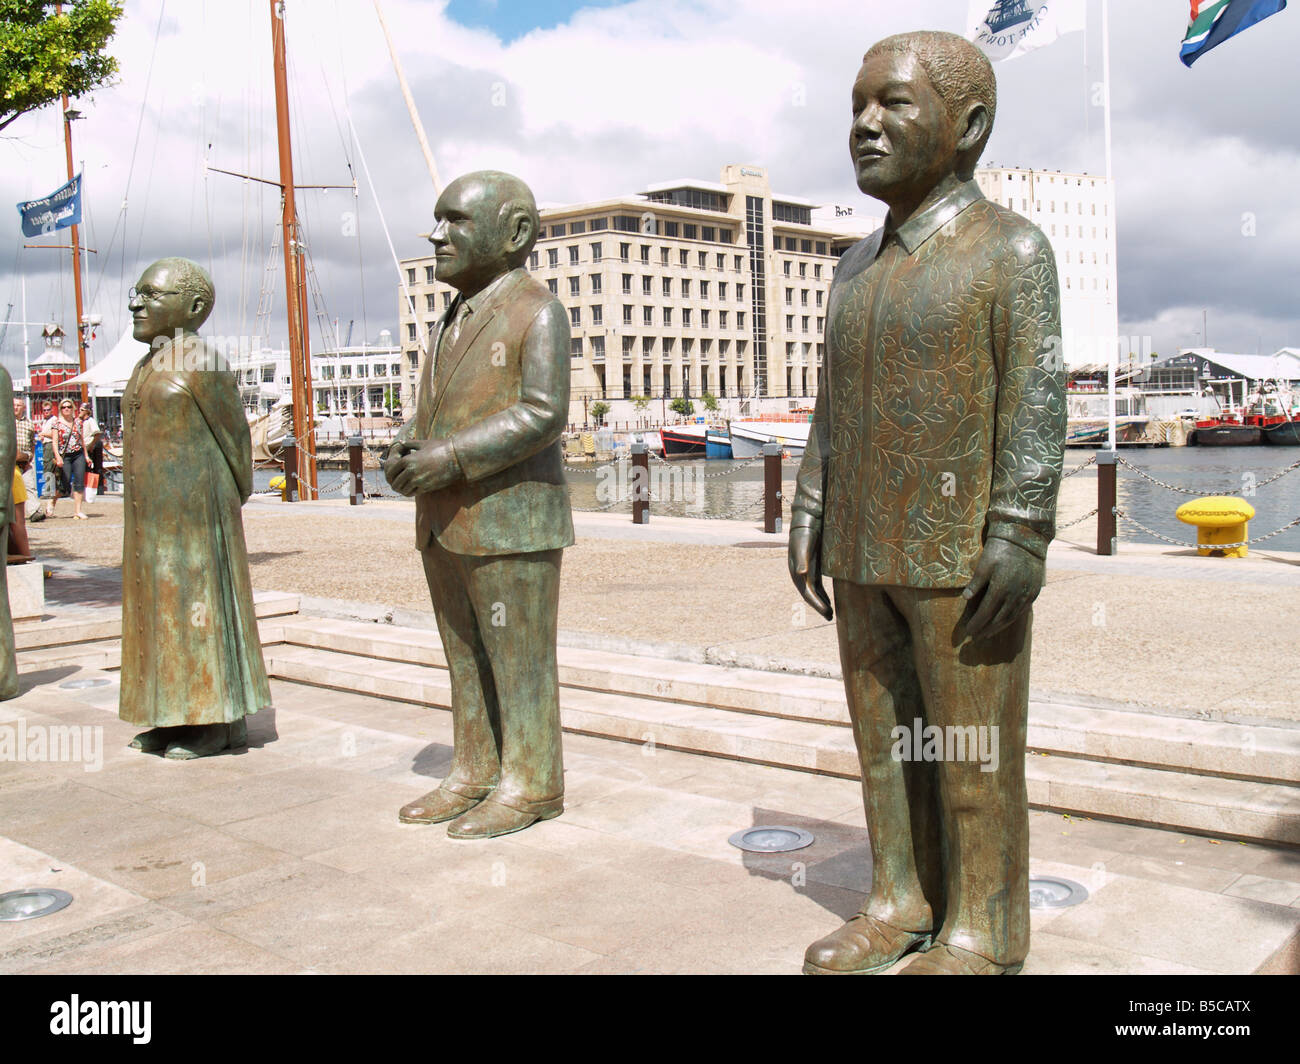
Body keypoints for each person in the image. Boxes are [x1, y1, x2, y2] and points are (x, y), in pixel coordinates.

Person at [789, 31, 1065, 975]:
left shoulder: (1010, 252)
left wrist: (1022, 528)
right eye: (857, 106)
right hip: (863, 543)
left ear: (970, 126)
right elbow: (833, 400)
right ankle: (899, 899)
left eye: (892, 104)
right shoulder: (851, 269)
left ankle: (985, 928)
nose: (864, 125)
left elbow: (1035, 397)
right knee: (883, 743)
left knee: (974, 754)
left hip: (962, 557)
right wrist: (809, 507)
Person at [385, 170, 573, 840]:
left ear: (514, 232)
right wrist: (410, 447)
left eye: (455, 220)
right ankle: (474, 768)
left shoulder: (536, 310)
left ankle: (531, 783)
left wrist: (452, 456)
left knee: (519, 660)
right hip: (444, 520)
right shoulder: (452, 316)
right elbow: (439, 405)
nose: (437, 235)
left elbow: (544, 413)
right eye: (438, 220)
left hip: (511, 521)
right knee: (464, 657)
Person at [118, 257, 271, 759]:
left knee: (196, 608)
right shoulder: (147, 363)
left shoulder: (202, 361)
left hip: (196, 516)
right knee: (156, 609)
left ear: (195, 306)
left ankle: (216, 721)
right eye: (136, 292)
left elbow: (236, 441)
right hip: (150, 518)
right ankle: (169, 713)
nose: (135, 302)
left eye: (151, 294)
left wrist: (222, 507)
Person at [50, 398, 88, 519]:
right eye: (63, 407)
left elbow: (81, 440)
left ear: (73, 408)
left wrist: (86, 456)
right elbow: (54, 442)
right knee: (64, 486)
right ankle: (53, 501)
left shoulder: (78, 422)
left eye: (69, 407)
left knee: (79, 481)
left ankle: (77, 511)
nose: (66, 409)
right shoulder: (56, 423)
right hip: (64, 455)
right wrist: (58, 457)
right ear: (61, 409)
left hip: (78, 454)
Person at [79, 401, 103, 497]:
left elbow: (97, 433)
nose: (79, 412)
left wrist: (92, 445)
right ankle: (88, 488)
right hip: (85, 447)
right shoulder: (81, 422)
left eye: (82, 410)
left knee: (97, 467)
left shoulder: (90, 421)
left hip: (92, 446)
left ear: (87, 412)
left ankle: (99, 488)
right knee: (85, 468)